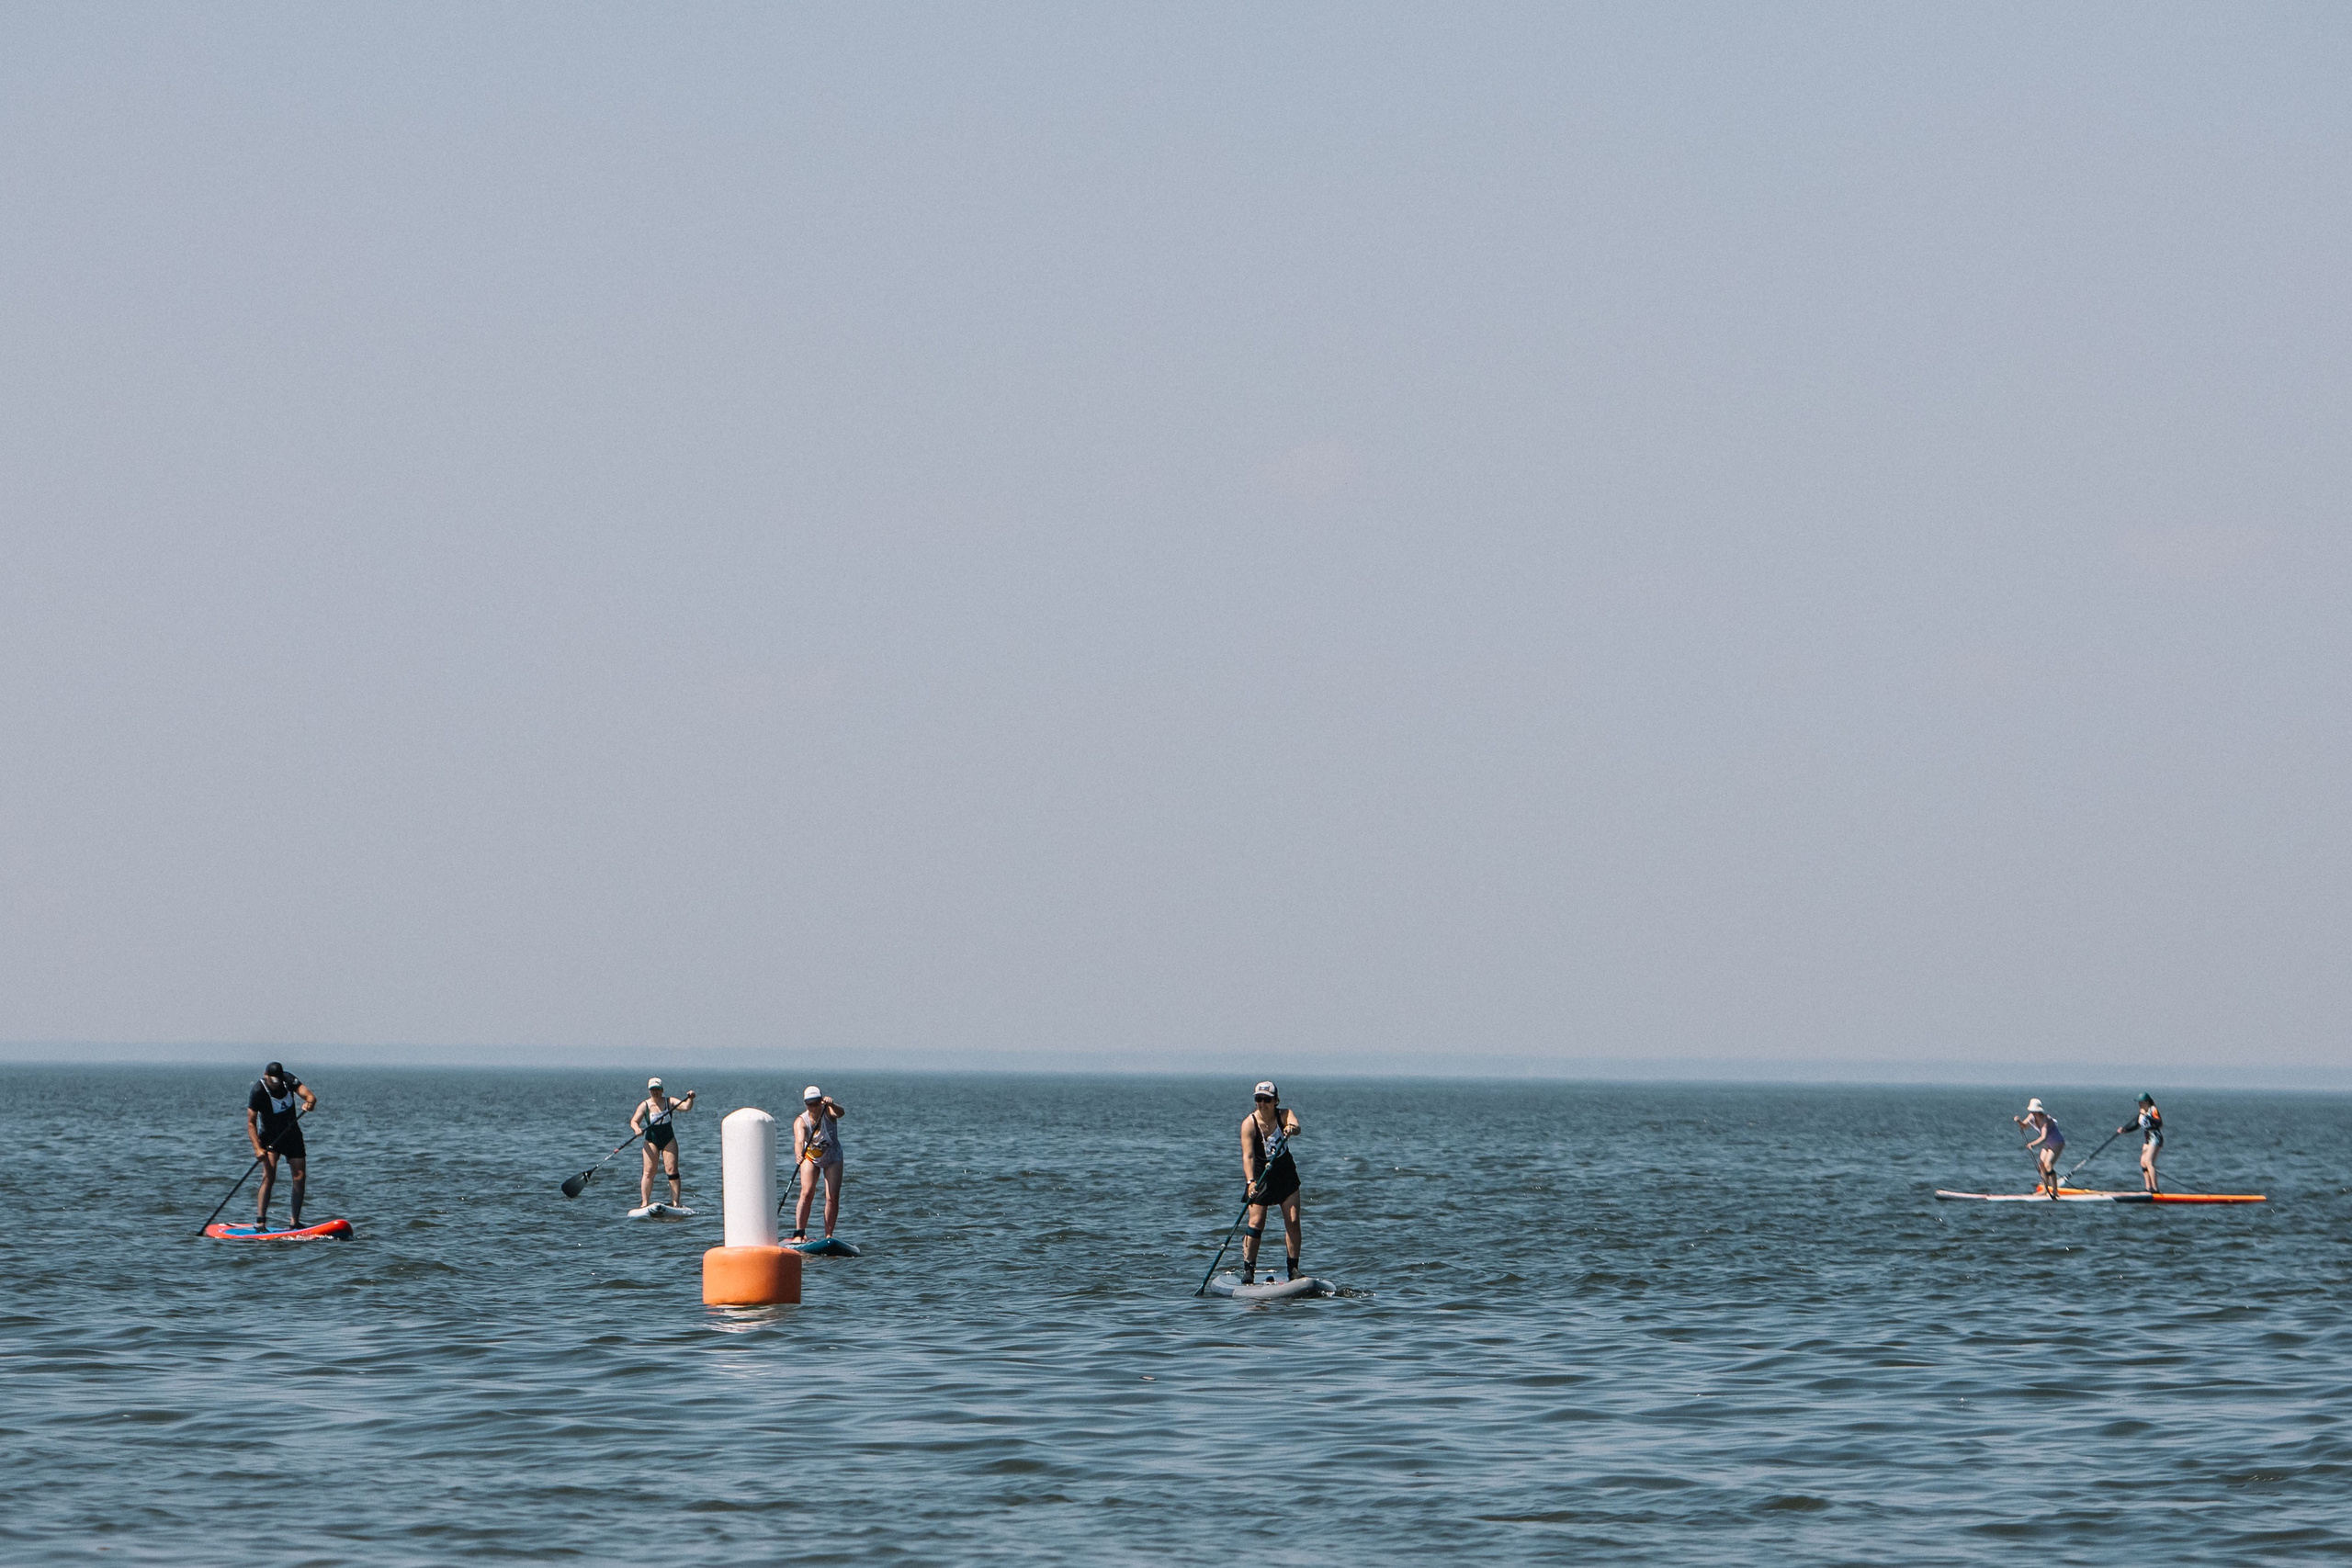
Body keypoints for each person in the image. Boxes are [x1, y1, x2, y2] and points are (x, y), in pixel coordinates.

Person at [1238, 1080, 1303, 1283]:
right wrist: (1250, 1182)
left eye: (1267, 1100)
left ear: (1276, 1101)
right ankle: (1249, 1268)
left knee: (1292, 1220)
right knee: (1256, 1222)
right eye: (1258, 1099)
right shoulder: (1249, 1124)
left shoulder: (1283, 1115)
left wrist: (1291, 1129)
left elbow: (1297, 1126)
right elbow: (1248, 1156)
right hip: (1260, 1173)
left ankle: (1293, 1268)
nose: (1262, 1104)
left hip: (1284, 1172)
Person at [247, 1063, 318, 1227]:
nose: (276, 1084)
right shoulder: (258, 1091)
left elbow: (309, 1096)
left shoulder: (288, 1079)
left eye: (278, 1080)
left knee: (299, 1177)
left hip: (292, 1135)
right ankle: (260, 1222)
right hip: (270, 1138)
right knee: (269, 1175)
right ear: (265, 1076)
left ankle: (295, 1222)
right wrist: (257, 1148)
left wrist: (309, 1103)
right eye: (272, 1081)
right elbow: (251, 1123)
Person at [791, 1087, 848, 1241]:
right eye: (810, 1104)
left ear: (821, 1101)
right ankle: (799, 1233)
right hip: (811, 1158)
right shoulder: (801, 1121)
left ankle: (828, 1235)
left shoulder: (829, 1112)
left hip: (833, 1157)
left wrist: (832, 1104)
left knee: (832, 1197)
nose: (813, 1107)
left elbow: (841, 1113)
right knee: (807, 1193)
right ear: (805, 1104)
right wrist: (798, 1155)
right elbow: (798, 1141)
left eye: (816, 1103)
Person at [632, 1078, 696, 1208]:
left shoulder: (670, 1101)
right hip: (651, 1140)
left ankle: (676, 1203)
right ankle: (644, 1203)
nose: (655, 1092)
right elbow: (634, 1121)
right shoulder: (645, 1105)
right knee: (649, 1171)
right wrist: (637, 1129)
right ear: (649, 1091)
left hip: (668, 1139)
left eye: (657, 1089)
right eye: (652, 1090)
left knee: (672, 1170)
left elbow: (685, 1107)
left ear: (662, 1090)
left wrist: (690, 1098)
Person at [2014, 1097, 2064, 1198]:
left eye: (2034, 1111)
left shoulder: (2045, 1119)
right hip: (2048, 1143)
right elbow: (2025, 1126)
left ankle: (2055, 1191)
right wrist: (2019, 1121)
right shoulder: (2031, 1116)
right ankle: (2045, 1190)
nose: (2033, 1112)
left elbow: (2043, 1137)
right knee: (2041, 1165)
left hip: (2057, 1142)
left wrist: (2032, 1144)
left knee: (2048, 1165)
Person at [2118, 1092, 2164, 1193]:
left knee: (2149, 1162)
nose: (2139, 1104)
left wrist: (2146, 1116)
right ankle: (2148, 1187)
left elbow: (2159, 1123)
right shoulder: (2141, 1113)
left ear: (2146, 1102)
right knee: (2143, 1162)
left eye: (2141, 1102)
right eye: (2139, 1102)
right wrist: (2125, 1129)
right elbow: (2135, 1124)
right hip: (2148, 1140)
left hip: (2155, 1137)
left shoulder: (2153, 1110)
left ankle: (2155, 1189)